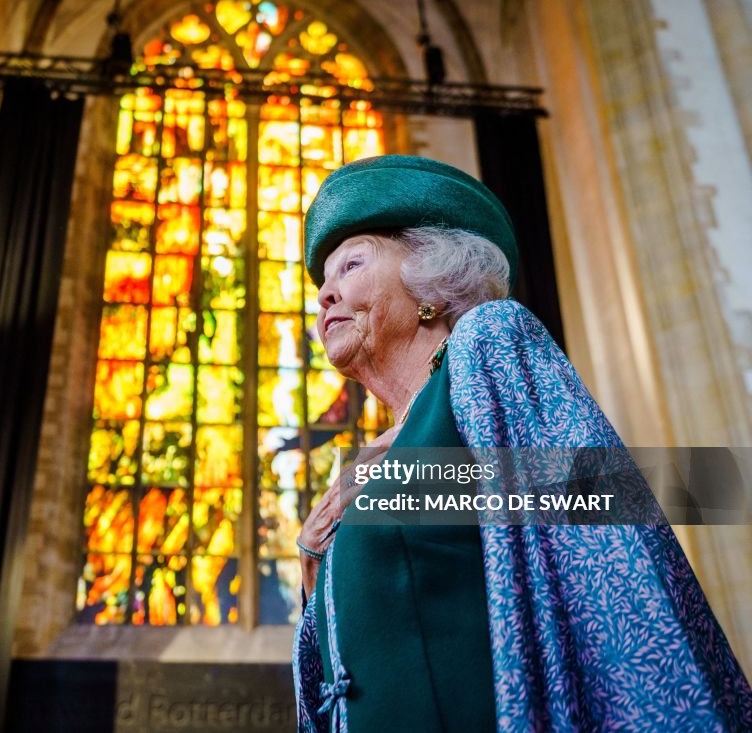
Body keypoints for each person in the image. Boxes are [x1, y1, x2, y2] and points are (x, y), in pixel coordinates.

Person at [292, 155, 752, 731]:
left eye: (351, 266)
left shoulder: (484, 346)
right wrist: (315, 570)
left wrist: (405, 492)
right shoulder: (375, 461)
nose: (325, 296)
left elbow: (634, 496)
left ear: (431, 282)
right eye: (322, 283)